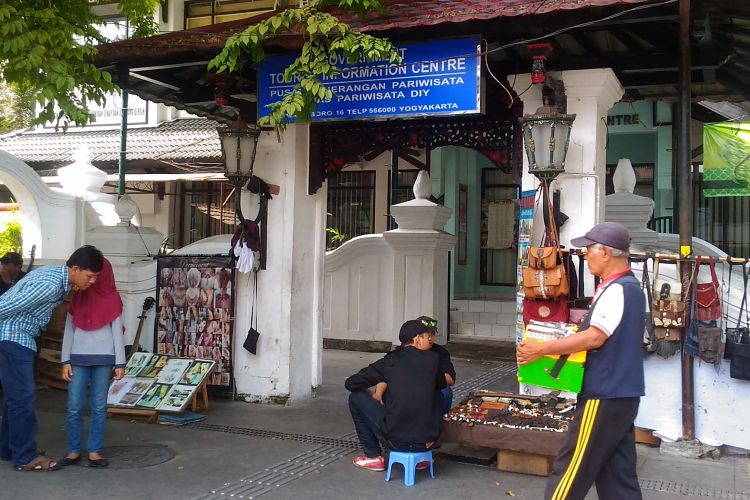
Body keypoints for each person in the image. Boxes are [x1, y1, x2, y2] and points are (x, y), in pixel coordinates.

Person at [517, 222, 645, 500]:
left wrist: (542, 349)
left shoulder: (617, 290)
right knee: (617, 475)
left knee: (571, 469)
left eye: (589, 250)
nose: (585, 256)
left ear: (606, 253)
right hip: (624, 394)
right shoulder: (629, 288)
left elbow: (594, 338)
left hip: (604, 394)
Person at [0, 245, 104, 472]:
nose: (92, 281)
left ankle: (10, 449)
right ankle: (26, 457)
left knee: (15, 398)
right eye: (90, 276)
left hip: (16, 338)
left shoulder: (54, 275)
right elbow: (4, 305)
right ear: (75, 269)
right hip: (13, 338)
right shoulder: (50, 285)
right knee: (23, 399)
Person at [345, 317, 446, 471]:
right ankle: (423, 456)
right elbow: (441, 384)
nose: (431, 339)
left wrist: (370, 393)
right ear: (417, 339)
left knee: (356, 398)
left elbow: (351, 383)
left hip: (395, 441)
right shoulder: (434, 359)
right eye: (428, 336)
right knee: (440, 393)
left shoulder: (390, 361)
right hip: (425, 441)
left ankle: (373, 457)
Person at [60, 258, 125, 468]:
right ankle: (72, 450)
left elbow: (117, 332)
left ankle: (94, 451)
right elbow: (69, 330)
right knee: (73, 405)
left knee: (99, 406)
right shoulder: (77, 297)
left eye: (98, 273)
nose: (94, 279)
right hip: (78, 357)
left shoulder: (112, 298)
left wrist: (120, 363)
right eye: (91, 274)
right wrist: (65, 360)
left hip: (104, 359)